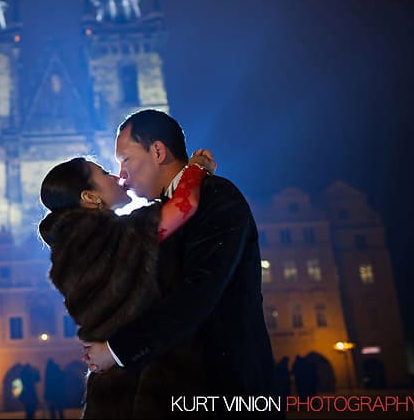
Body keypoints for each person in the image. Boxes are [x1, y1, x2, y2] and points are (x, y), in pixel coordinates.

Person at [81, 109, 278, 417]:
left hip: (225, 391)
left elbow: (198, 292)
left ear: (158, 151)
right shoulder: (156, 214)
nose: (121, 174)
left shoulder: (217, 197)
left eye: (126, 159)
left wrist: (116, 350)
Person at [39, 148, 214, 417]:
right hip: (141, 385)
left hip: (111, 388)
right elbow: (184, 205)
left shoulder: (72, 248)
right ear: (90, 196)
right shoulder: (116, 236)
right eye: (105, 173)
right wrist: (197, 169)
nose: (117, 177)